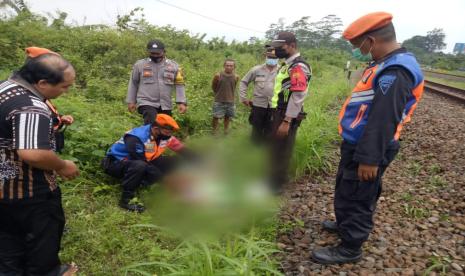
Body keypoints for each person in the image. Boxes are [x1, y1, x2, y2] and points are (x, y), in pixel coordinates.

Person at [312, 12, 424, 264]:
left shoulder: (396, 71)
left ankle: (351, 247)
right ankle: (344, 225)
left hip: (368, 147)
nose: (356, 51)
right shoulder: (385, 62)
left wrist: (370, 158)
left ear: (370, 41)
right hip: (357, 143)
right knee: (346, 189)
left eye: (357, 46)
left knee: (359, 195)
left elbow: (383, 119)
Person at [0, 48, 79, 275]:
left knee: (7, 243)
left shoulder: (4, 89)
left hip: (3, 188)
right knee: (42, 239)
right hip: (30, 191)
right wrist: (63, 165)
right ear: (43, 83)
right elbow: (33, 153)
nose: (66, 91)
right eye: (64, 86)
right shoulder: (31, 107)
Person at [102, 114, 193, 212]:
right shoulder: (136, 137)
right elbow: (142, 162)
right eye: (167, 132)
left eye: (171, 132)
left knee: (175, 161)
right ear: (155, 128)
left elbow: (182, 150)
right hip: (115, 164)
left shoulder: (164, 136)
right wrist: (163, 179)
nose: (169, 135)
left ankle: (152, 184)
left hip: (144, 160)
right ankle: (126, 200)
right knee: (140, 166)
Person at [268, 31, 312, 194]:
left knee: (282, 148)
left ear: (292, 46)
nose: (276, 51)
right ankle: (274, 179)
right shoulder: (287, 64)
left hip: (286, 114)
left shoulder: (298, 66)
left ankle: (276, 186)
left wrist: (287, 120)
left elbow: (298, 95)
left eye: (280, 47)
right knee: (276, 147)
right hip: (280, 111)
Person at [126, 39, 187, 125]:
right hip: (146, 102)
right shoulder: (139, 65)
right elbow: (133, 83)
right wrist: (131, 101)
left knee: (165, 128)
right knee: (152, 121)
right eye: (152, 53)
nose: (155, 55)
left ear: (164, 52)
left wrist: (181, 102)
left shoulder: (174, 66)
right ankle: (149, 137)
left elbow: (179, 85)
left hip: (165, 104)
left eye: (157, 53)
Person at [239, 45, 278, 144]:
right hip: (258, 104)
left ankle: (266, 149)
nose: (272, 59)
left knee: (270, 127)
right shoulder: (256, 69)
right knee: (256, 127)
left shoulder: (281, 71)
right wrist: (243, 97)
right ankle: (254, 147)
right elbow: (244, 82)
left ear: (278, 58)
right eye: (270, 57)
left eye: (274, 58)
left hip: (274, 105)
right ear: (266, 57)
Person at [211, 58, 239, 135]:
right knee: (216, 116)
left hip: (230, 101)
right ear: (224, 66)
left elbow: (233, 86)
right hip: (219, 100)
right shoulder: (218, 75)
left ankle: (226, 131)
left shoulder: (236, 76)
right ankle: (214, 131)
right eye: (227, 65)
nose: (229, 67)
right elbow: (214, 86)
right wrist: (218, 94)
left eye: (231, 66)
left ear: (234, 67)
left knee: (228, 116)